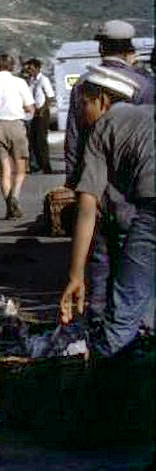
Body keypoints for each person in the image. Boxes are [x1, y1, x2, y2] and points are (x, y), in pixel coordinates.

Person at [59, 65, 154, 357]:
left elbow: (87, 208)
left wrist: (76, 276)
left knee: (122, 316)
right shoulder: (149, 114)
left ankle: (107, 381)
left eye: (84, 104)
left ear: (101, 99)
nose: (82, 113)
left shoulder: (102, 127)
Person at [65, 19, 155, 187]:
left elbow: (74, 134)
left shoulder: (82, 83)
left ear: (101, 48)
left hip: (92, 175)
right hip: (134, 174)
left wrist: (72, 180)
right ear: (130, 50)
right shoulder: (144, 85)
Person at [0, 54, 34, 219]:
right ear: (12, 66)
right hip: (16, 124)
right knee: (21, 168)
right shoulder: (19, 82)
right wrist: (25, 115)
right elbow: (30, 107)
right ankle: (15, 197)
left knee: (5, 169)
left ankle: (9, 206)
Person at [25, 58, 55, 174]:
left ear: (37, 68)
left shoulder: (43, 80)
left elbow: (50, 96)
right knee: (33, 140)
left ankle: (46, 166)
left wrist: (43, 109)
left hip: (42, 112)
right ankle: (36, 164)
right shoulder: (31, 80)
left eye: (31, 68)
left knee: (41, 140)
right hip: (33, 112)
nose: (29, 70)